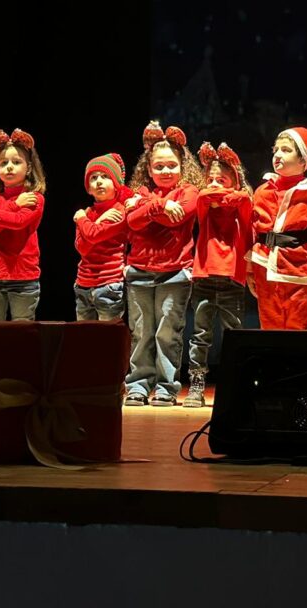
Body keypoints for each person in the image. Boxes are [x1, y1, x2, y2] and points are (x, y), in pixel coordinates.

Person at [123, 121, 203, 406]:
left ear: (182, 164)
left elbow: (178, 218)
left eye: (171, 165)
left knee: (167, 334)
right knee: (142, 333)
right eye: (159, 167)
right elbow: (131, 222)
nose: (165, 171)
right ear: (148, 168)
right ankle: (138, 386)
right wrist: (158, 205)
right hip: (139, 272)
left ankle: (166, 388)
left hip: (175, 272)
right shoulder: (141, 193)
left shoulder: (190, 192)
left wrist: (147, 210)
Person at [247, 126, 307, 330]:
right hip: (265, 267)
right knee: (270, 327)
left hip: (300, 270)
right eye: (276, 150)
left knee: (303, 327)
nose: (278, 155)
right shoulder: (262, 191)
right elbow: (252, 231)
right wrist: (249, 269)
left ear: (303, 160)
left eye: (286, 150)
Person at [185, 141, 252, 407]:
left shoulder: (241, 208)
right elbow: (203, 198)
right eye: (210, 178)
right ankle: (197, 383)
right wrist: (216, 192)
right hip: (203, 279)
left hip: (232, 281)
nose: (213, 184)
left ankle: (234, 381)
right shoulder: (204, 205)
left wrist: (226, 196)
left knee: (234, 334)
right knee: (200, 335)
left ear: (234, 181)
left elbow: (245, 199)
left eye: (221, 179)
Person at [0, 128, 46, 321]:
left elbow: (18, 222)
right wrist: (15, 204)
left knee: (23, 332)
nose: (9, 167)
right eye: (3, 163)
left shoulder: (35, 198)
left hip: (24, 276)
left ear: (29, 167)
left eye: (16, 162)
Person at [74, 153, 131, 323]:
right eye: (93, 178)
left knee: (107, 339)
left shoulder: (119, 210)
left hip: (109, 283)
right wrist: (97, 220)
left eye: (105, 176)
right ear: (88, 188)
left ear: (115, 184)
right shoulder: (89, 213)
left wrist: (82, 219)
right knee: (83, 338)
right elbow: (82, 248)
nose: (99, 181)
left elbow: (93, 235)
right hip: (83, 283)